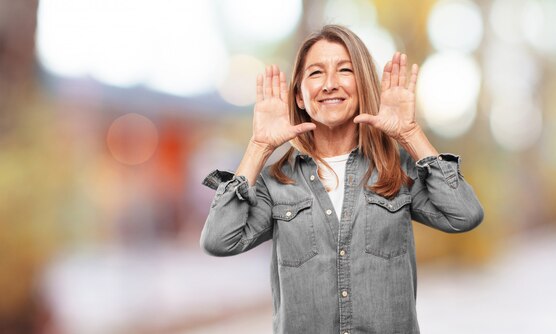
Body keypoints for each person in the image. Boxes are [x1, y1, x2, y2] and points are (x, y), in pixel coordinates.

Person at [200, 25, 484, 334]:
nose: (330, 84)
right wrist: (259, 146)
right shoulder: (275, 181)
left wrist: (409, 134)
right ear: (298, 95)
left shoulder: (396, 170)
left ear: (362, 86)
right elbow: (218, 240)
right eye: (316, 73)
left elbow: (464, 214)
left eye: (345, 70)